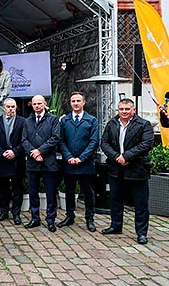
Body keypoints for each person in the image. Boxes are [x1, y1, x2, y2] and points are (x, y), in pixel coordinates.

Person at [101, 98, 154, 245]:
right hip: (115, 169)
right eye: (121, 109)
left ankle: (141, 233)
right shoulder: (112, 123)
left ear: (133, 110)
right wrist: (117, 156)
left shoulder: (144, 124)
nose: (124, 112)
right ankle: (116, 226)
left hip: (137, 170)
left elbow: (146, 144)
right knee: (115, 200)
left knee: (140, 203)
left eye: (127, 109)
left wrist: (127, 156)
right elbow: (104, 143)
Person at [58, 91, 100, 232]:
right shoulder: (65, 120)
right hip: (69, 163)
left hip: (85, 164)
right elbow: (61, 140)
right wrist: (69, 156)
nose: (75, 103)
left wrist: (81, 158)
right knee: (69, 191)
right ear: (70, 103)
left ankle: (90, 219)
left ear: (83, 102)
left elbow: (94, 142)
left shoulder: (92, 120)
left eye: (78, 101)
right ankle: (70, 216)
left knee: (88, 192)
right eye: (73, 101)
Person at [21, 94, 61, 233]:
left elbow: (55, 138)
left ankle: (51, 220)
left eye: (39, 103)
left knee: (50, 192)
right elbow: (24, 140)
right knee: (33, 192)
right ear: (31, 105)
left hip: (48, 162)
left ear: (44, 104)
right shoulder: (27, 121)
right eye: (34, 104)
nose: (37, 106)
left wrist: (40, 151)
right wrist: (33, 152)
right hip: (33, 163)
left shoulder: (53, 120)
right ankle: (35, 218)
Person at [0, 98, 26, 225]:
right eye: (8, 106)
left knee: (17, 188)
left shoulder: (23, 122)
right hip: (2, 159)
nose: (10, 109)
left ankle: (16, 214)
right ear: (4, 108)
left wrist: (15, 151)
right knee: (2, 188)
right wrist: (1, 152)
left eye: (13, 107)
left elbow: (25, 140)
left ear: (16, 108)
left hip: (17, 160)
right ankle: (3, 212)